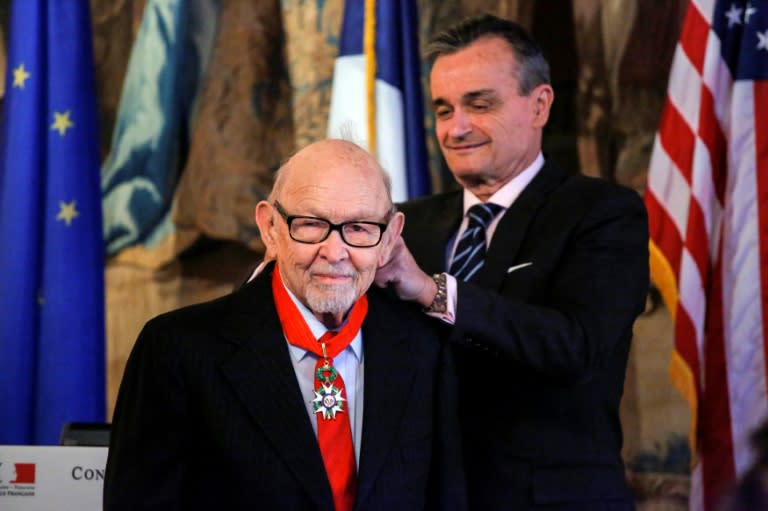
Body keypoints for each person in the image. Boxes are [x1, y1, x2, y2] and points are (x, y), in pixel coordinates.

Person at [375, 14, 649, 510]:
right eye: (443, 109)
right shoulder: (402, 225)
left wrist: (433, 291)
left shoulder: (602, 213)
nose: (456, 128)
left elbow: (576, 345)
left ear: (539, 104)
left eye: (479, 105)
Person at [104, 139, 465, 511]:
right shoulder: (177, 349)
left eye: (359, 228)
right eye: (311, 225)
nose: (335, 252)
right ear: (269, 227)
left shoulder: (424, 347)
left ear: (389, 238)